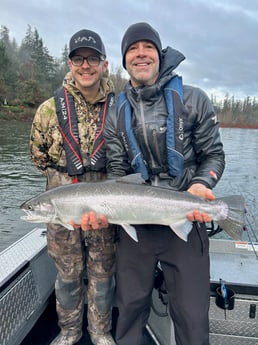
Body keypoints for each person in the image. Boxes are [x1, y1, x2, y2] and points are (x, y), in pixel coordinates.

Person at [81, 22, 225, 345]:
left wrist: (203, 183)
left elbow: (214, 155)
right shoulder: (116, 114)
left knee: (191, 318)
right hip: (136, 226)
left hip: (185, 218)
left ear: (159, 55)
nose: (141, 54)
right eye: (133, 49)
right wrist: (104, 208)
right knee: (129, 312)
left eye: (148, 47)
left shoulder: (194, 99)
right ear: (123, 60)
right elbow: (117, 169)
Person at [30, 29, 116, 345]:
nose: (86, 65)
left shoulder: (119, 108)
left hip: (105, 207)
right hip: (61, 207)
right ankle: (68, 331)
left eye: (92, 58)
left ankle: (101, 332)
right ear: (70, 62)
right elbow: (38, 158)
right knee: (67, 275)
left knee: (103, 274)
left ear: (104, 64)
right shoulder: (48, 109)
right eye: (79, 58)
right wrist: (63, 183)